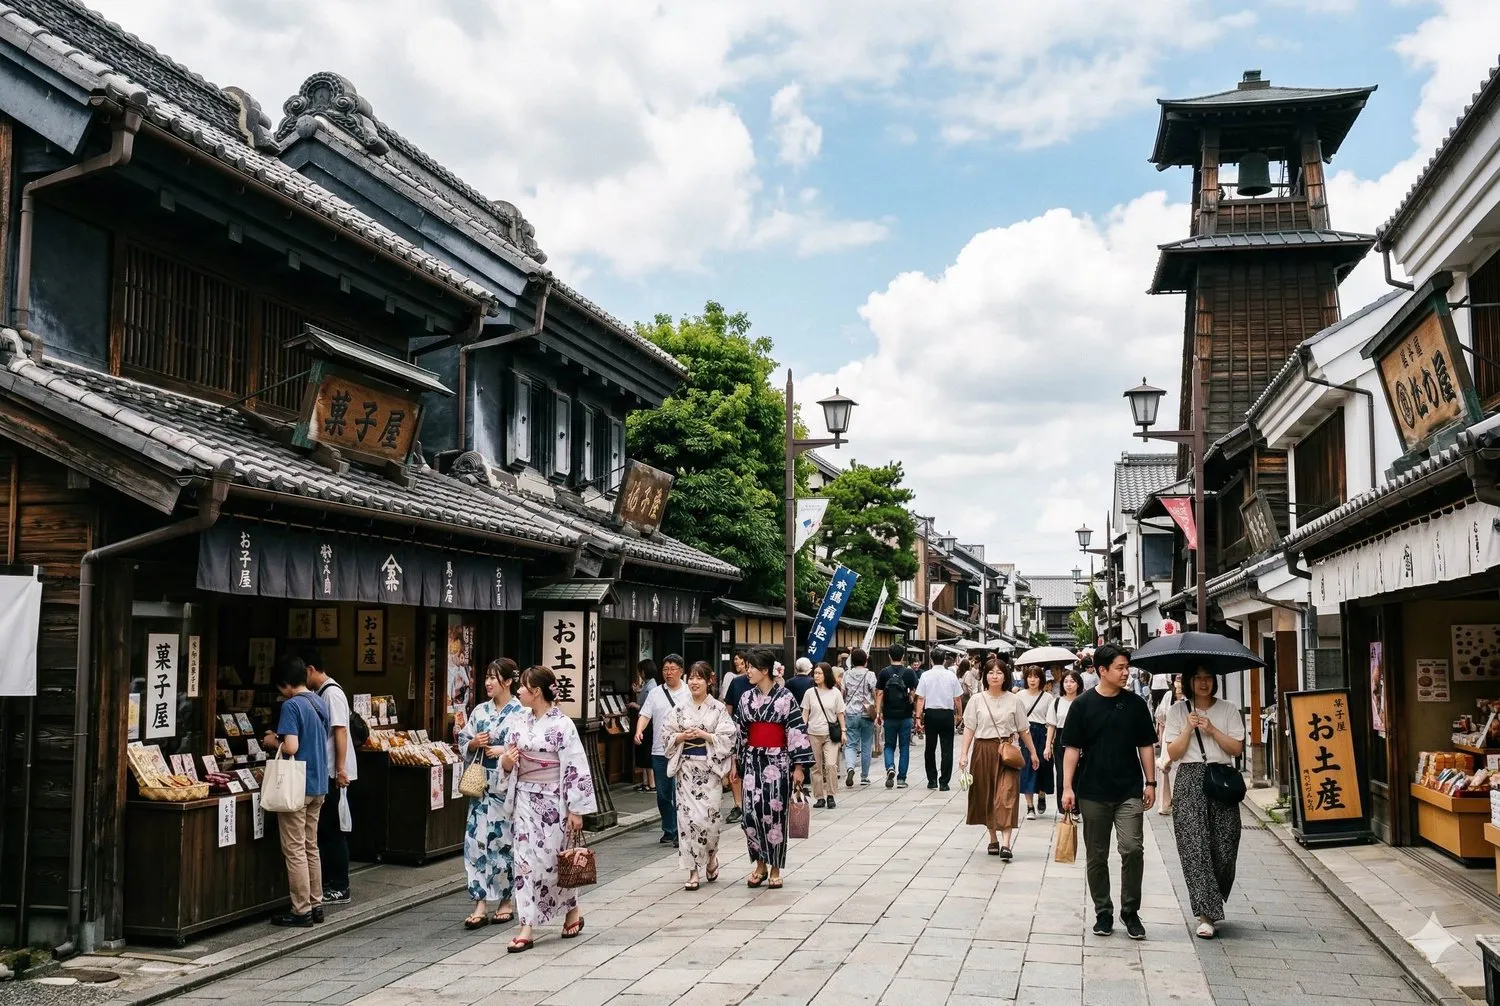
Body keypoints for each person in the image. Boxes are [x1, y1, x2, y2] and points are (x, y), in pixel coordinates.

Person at [1060, 644, 1159, 942]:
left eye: (1126, 667)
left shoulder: (1136, 705)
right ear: (1102, 670)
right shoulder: (1082, 705)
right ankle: (1103, 910)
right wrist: (1067, 787)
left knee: (1132, 848)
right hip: (1092, 789)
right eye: (1119, 667)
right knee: (1097, 855)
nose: (1126, 672)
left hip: (1128, 788)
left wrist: (1150, 782)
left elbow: (1145, 745)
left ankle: (1130, 911)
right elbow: (1072, 749)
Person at [497, 666, 595, 952]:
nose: (518, 691)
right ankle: (526, 924)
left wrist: (576, 809)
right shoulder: (519, 722)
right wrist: (506, 762)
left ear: (536, 691)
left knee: (554, 862)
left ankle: (571, 909)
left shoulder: (562, 725)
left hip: (554, 802)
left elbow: (575, 765)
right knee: (525, 862)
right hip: (525, 799)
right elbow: (508, 758)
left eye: (523, 687)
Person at [1162, 666, 1245, 939]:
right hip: (1189, 778)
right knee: (1194, 847)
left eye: (1208, 677)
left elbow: (1236, 749)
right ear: (1188, 681)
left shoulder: (1229, 709)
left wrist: (1211, 729)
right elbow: (1172, 753)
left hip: (1221, 778)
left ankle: (1212, 897)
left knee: (1225, 847)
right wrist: (1188, 727)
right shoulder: (1177, 711)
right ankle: (1206, 914)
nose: (1203, 682)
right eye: (1197, 677)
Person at [259, 654, 331, 927]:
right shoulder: (318, 701)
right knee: (311, 846)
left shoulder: (291, 706)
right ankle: (317, 903)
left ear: (285, 683)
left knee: (295, 849)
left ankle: (301, 910)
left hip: (296, 786)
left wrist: (270, 741)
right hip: (318, 783)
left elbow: (291, 747)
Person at [735, 648, 813, 889]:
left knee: (775, 815)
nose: (748, 671)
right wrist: (734, 763)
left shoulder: (786, 697)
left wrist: (798, 767)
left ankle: (775, 867)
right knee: (751, 814)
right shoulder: (746, 698)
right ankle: (759, 863)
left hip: (778, 762)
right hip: (752, 760)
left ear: (765, 670)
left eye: (752, 667)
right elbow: (739, 732)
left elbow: (796, 731)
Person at [457, 658, 522, 929]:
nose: (487, 683)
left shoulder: (520, 712)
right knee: (475, 843)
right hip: (480, 791)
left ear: (507, 681)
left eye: (493, 678)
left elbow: (524, 748)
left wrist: (503, 752)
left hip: (504, 791)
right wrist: (473, 742)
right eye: (486, 677)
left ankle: (506, 900)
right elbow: (463, 739)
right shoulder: (480, 711)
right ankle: (480, 901)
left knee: (503, 843)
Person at [958, 658, 1040, 860]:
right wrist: (963, 755)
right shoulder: (977, 700)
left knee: (1007, 795)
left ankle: (1006, 844)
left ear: (1006, 676)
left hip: (1007, 752)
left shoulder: (1014, 700)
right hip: (983, 751)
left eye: (999, 672)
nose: (995, 676)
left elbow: (1023, 728)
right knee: (986, 794)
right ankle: (992, 838)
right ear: (985, 676)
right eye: (991, 672)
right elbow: (969, 728)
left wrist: (1033, 752)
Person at [665, 661, 737, 891]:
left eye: (699, 678)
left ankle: (712, 856)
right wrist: (680, 737)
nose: (694, 682)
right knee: (687, 822)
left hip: (709, 771)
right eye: (691, 678)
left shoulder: (717, 709)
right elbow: (666, 733)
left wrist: (705, 735)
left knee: (710, 822)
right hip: (686, 769)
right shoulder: (679, 708)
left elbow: (728, 738)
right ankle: (693, 870)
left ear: (709, 681)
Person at [304, 647, 355, 908]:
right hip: (328, 770)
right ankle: (329, 883)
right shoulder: (319, 693)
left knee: (333, 830)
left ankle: (340, 885)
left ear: (311, 669)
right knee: (325, 829)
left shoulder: (332, 693)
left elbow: (340, 732)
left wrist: (340, 769)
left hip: (334, 772)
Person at [635, 654, 689, 847]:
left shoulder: (689, 692)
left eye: (672, 669)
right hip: (659, 750)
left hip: (683, 750)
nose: (668, 673)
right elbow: (644, 715)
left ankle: (679, 832)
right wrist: (639, 731)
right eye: (665, 669)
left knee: (679, 792)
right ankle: (669, 828)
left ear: (681, 671)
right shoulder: (655, 693)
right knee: (663, 794)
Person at [915, 651, 964, 791]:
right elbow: (957, 698)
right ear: (944, 660)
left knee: (930, 748)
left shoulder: (925, 675)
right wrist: (960, 714)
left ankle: (932, 780)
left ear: (931, 660)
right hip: (947, 714)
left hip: (930, 713)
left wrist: (918, 717)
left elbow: (921, 698)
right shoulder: (951, 676)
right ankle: (944, 782)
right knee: (947, 748)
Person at [802, 662, 846, 809]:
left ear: (826, 674)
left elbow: (840, 714)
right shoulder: (809, 693)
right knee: (815, 767)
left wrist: (844, 732)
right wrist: (802, 733)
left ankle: (831, 795)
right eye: (815, 673)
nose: (816, 676)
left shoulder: (835, 693)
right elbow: (805, 714)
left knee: (831, 765)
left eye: (819, 673)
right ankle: (819, 796)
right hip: (813, 733)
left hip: (830, 735)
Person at [875, 643, 918, 789]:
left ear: (889, 656)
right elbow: (913, 693)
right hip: (905, 715)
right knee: (904, 747)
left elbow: (879, 693)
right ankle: (901, 779)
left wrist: (878, 712)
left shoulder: (884, 672)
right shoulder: (909, 672)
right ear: (903, 656)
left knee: (889, 745)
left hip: (889, 715)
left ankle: (890, 767)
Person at [1018, 666, 1056, 819]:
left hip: (1042, 733)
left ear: (1041, 679)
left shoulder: (1048, 698)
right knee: (1026, 768)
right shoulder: (1019, 696)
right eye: (1030, 676)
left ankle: (1041, 794)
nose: (1033, 680)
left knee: (1043, 766)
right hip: (1025, 734)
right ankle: (1029, 807)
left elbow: (1051, 721)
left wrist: (1049, 743)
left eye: (1036, 676)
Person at [724, 652, 756, 824]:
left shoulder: (767, 685)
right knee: (735, 770)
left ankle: (752, 804)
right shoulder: (737, 682)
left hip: (758, 734)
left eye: (753, 667)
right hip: (738, 731)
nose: (750, 670)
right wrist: (728, 729)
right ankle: (738, 805)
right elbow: (729, 707)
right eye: (749, 666)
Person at [841, 647, 878, 788]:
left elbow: (843, 693)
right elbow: (874, 693)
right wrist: (877, 709)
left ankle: (850, 767)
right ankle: (864, 776)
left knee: (850, 743)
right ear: (865, 661)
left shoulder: (846, 674)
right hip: (866, 712)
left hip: (850, 712)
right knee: (866, 744)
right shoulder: (870, 675)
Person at [1045, 670, 1084, 800]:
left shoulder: (1084, 702)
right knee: (1062, 775)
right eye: (1066, 682)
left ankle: (1077, 808)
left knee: (1079, 775)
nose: (1069, 685)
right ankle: (1064, 809)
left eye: (1072, 681)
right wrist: (1047, 746)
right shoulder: (1056, 703)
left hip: (1080, 741)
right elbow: (1051, 725)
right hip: (1061, 740)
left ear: (1078, 684)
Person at [1155, 675, 1186, 816]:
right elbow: (1160, 717)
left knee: (1181, 768)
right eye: (1177, 680)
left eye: (1181, 680)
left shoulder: (1190, 697)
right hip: (1169, 734)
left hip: (1185, 734)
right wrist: (1161, 737)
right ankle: (1165, 803)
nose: (1179, 684)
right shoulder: (1168, 696)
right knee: (1165, 768)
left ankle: (1180, 801)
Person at [629, 661, 657, 793]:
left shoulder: (651, 687)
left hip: (648, 725)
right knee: (643, 753)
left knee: (647, 753)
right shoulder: (648, 685)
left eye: (640, 671)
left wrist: (636, 705)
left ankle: (651, 784)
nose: (640, 674)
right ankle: (645, 783)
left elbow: (648, 709)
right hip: (644, 725)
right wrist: (638, 691)